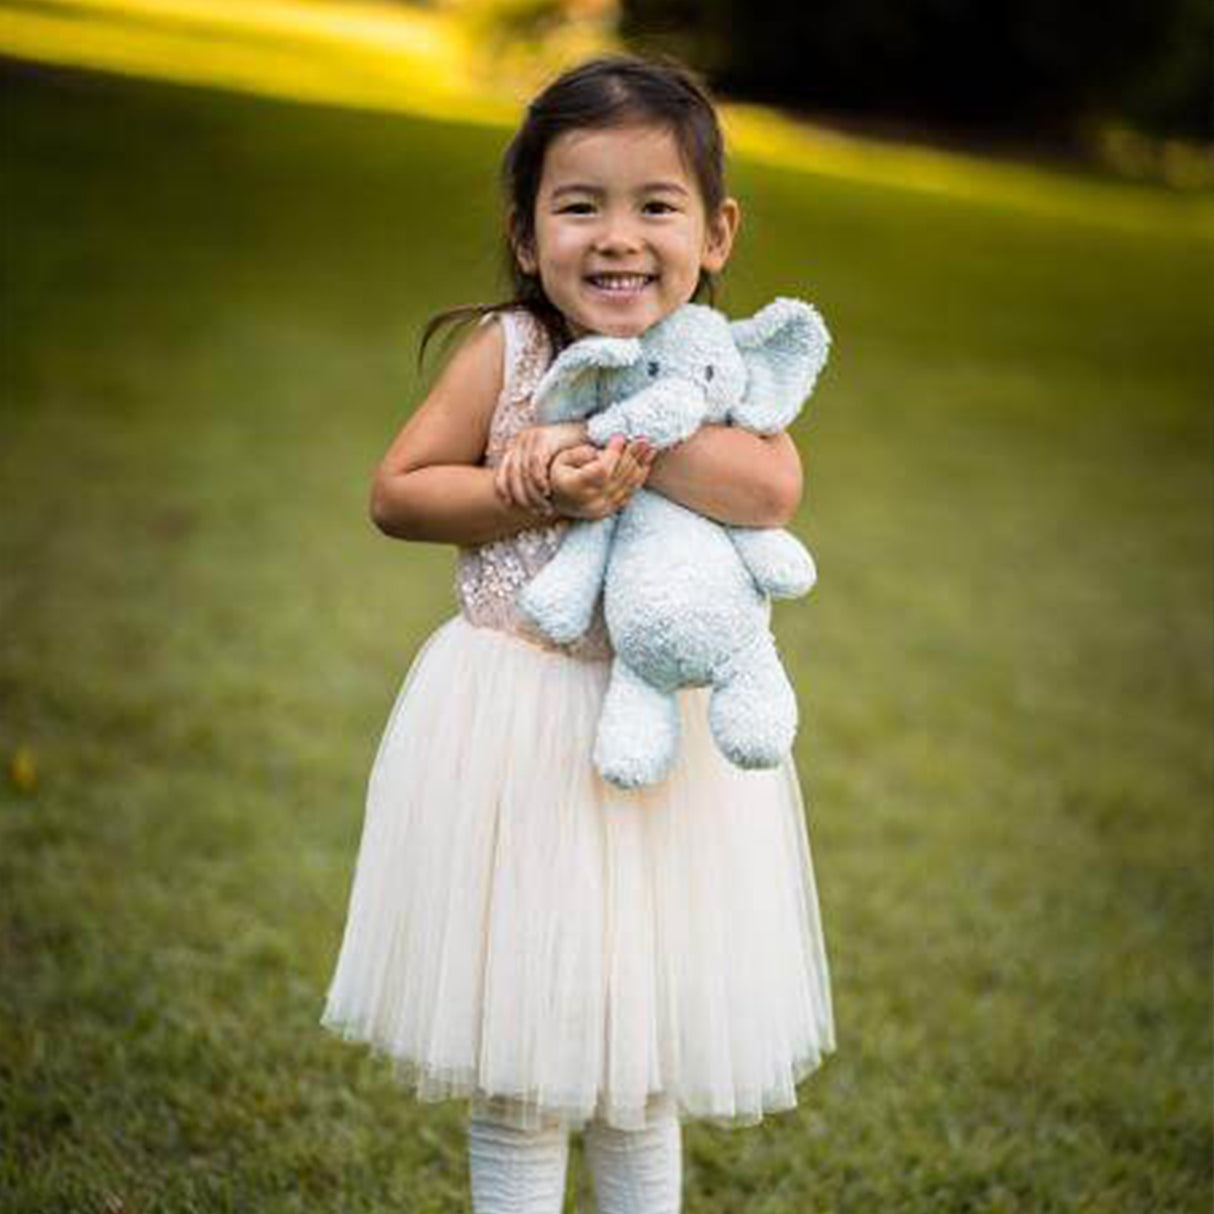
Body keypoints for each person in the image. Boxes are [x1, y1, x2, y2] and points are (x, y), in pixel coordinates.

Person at [321, 53, 835, 1214]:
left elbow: (771, 494)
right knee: (519, 1064)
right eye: (578, 205)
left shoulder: (720, 371)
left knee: (639, 1067)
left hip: (667, 760)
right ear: (522, 233)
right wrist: (533, 488)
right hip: (511, 739)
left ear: (714, 232)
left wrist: (623, 432)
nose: (615, 236)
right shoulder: (506, 353)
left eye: (654, 205)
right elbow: (397, 491)